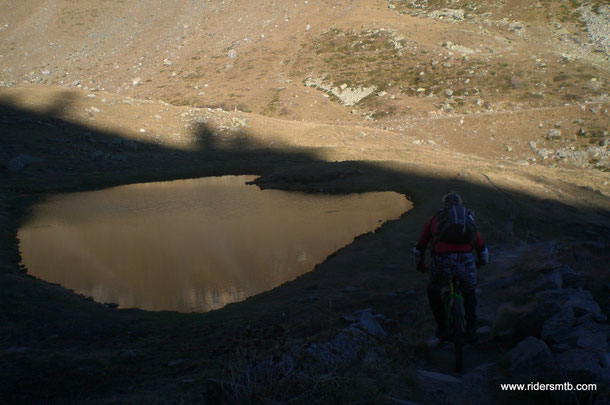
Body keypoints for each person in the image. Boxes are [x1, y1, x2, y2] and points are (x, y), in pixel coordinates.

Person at [412, 192, 489, 343]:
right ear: (460, 205)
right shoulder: (467, 218)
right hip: (466, 260)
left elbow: (420, 247)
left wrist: (421, 266)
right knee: (469, 292)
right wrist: (480, 262)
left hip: (442, 261)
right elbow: (481, 247)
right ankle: (471, 329)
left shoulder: (435, 219)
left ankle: (442, 327)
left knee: (433, 290)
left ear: (444, 205)